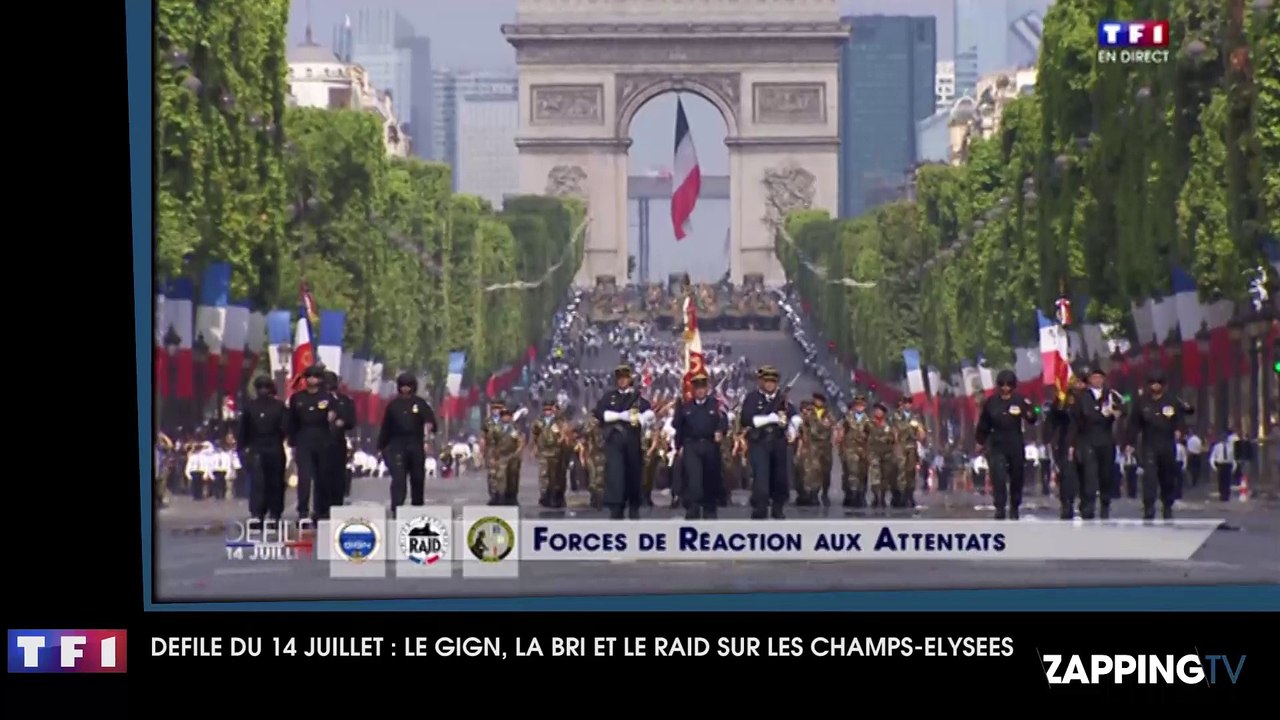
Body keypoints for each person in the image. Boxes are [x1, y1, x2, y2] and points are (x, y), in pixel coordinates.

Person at [974, 369, 1038, 520]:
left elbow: (1033, 415)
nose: (1005, 388)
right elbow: (984, 424)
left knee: (1017, 476)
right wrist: (980, 441)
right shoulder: (991, 402)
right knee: (998, 476)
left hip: (1015, 442)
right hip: (997, 443)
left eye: (1008, 384)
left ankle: (1015, 506)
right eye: (1002, 384)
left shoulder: (1020, 400)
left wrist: (1031, 413)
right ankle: (1000, 507)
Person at [593, 365, 654, 519]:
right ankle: (616, 508)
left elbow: (649, 412)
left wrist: (642, 418)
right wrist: (621, 416)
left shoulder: (636, 398)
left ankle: (634, 506)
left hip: (632, 440)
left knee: (633, 474)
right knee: (615, 475)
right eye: (620, 378)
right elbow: (600, 413)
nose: (622, 381)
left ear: (630, 379)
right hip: (615, 440)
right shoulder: (609, 397)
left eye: (625, 378)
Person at [1125, 371, 1188, 520]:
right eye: (1153, 383)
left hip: (1167, 443)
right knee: (1150, 477)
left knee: (1167, 477)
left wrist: (1179, 430)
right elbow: (1134, 423)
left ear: (1163, 385)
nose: (1155, 386)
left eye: (1158, 383)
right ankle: (1149, 507)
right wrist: (1130, 442)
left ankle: (1167, 505)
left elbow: (1180, 418)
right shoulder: (1142, 402)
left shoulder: (1172, 401)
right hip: (1149, 444)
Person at [376, 372, 437, 510]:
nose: (405, 389)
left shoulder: (420, 404)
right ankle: (397, 508)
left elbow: (431, 421)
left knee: (417, 478)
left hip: (415, 444)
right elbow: (386, 427)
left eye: (408, 386)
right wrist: (380, 446)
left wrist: (429, 428)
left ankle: (417, 507)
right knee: (399, 479)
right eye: (403, 386)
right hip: (397, 445)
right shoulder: (393, 405)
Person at [672, 372, 728, 519]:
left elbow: (723, 420)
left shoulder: (715, 404)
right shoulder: (686, 407)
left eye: (703, 388)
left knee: (710, 479)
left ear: (707, 388)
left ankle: (709, 510)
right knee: (694, 480)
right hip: (692, 446)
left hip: (710, 445)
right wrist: (679, 447)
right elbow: (679, 427)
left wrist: (720, 430)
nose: (700, 391)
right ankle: (693, 509)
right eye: (697, 388)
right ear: (693, 390)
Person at [740, 365, 792, 519]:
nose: (770, 385)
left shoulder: (782, 399)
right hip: (760, 442)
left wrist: (792, 425)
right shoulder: (752, 398)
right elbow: (746, 419)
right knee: (761, 478)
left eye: (773, 382)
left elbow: (793, 415)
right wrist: (769, 419)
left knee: (780, 478)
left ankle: (778, 507)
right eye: (766, 381)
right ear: (761, 382)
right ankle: (760, 508)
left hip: (778, 442)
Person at [1071, 364, 1122, 520]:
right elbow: (1081, 417)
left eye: (1100, 377)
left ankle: (1105, 504)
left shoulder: (1111, 395)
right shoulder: (1082, 397)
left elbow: (1121, 410)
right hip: (1088, 440)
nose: (1097, 380)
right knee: (1089, 475)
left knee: (1106, 475)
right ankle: (1088, 506)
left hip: (1106, 440)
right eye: (1094, 377)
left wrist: (1115, 413)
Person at [287, 365, 334, 520]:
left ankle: (321, 509)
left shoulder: (327, 398)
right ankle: (303, 510)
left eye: (315, 376)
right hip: (303, 439)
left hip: (322, 439)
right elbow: (292, 421)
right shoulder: (297, 398)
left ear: (320, 379)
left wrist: (333, 420)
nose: (312, 380)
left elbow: (335, 418)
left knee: (322, 477)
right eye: (309, 377)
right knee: (304, 477)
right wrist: (292, 441)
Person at [238, 377, 288, 520]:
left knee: (276, 482)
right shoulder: (250, 407)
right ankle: (257, 513)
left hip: (274, 446)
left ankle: (275, 513)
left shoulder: (279, 407)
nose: (263, 391)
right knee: (258, 482)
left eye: (266, 387)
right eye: (260, 388)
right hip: (256, 447)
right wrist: (241, 449)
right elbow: (243, 430)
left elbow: (285, 427)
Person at [1046, 371, 1083, 519]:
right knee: (1067, 476)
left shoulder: (1088, 399)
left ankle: (1087, 503)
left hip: (1085, 443)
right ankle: (1067, 504)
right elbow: (1052, 422)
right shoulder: (1061, 402)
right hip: (1066, 444)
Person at [323, 371, 356, 508]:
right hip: (320, 441)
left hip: (337, 441)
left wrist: (343, 421)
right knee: (322, 477)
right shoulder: (317, 399)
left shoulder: (344, 400)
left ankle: (337, 502)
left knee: (338, 475)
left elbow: (351, 420)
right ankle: (322, 506)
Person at [799, 393, 836, 507]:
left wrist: (833, 442)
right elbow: (802, 426)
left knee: (826, 471)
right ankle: (813, 493)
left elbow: (834, 427)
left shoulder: (828, 414)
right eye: (816, 400)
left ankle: (824, 493)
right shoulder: (808, 412)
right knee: (813, 470)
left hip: (826, 447)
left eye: (820, 400)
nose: (818, 402)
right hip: (812, 445)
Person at [484, 405, 523, 506]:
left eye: (507, 416)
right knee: (499, 477)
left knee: (512, 477)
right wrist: (491, 456)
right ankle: (498, 496)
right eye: (504, 416)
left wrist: (518, 453)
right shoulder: (496, 429)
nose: (506, 418)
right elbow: (491, 442)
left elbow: (520, 441)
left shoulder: (514, 428)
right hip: (500, 456)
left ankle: (511, 496)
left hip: (512, 456)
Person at [533, 400, 568, 508]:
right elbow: (535, 435)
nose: (547, 412)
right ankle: (544, 495)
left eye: (550, 409)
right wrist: (534, 447)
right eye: (546, 410)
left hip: (556, 452)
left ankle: (555, 496)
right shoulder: (538, 422)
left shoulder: (558, 421)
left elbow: (564, 431)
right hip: (543, 452)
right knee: (544, 474)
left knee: (554, 476)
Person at [837, 394, 871, 508]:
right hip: (850, 449)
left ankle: (861, 494)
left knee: (863, 473)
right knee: (852, 473)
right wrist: (840, 444)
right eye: (858, 405)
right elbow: (841, 432)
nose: (859, 407)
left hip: (863, 450)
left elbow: (872, 435)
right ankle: (852, 495)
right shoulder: (847, 418)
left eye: (862, 405)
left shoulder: (868, 420)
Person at [893, 397, 926, 508]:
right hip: (901, 447)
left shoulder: (915, 417)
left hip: (912, 447)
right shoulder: (897, 416)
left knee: (911, 472)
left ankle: (910, 494)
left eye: (909, 403)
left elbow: (921, 432)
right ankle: (901, 495)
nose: (907, 405)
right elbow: (897, 430)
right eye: (905, 403)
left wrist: (920, 433)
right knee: (901, 471)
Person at [864, 402, 898, 510]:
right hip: (874, 453)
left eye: (880, 410)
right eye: (876, 410)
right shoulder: (868, 423)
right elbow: (863, 436)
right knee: (875, 476)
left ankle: (883, 496)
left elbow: (894, 437)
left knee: (885, 477)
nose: (878, 412)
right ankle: (876, 497)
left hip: (887, 454)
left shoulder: (889, 424)